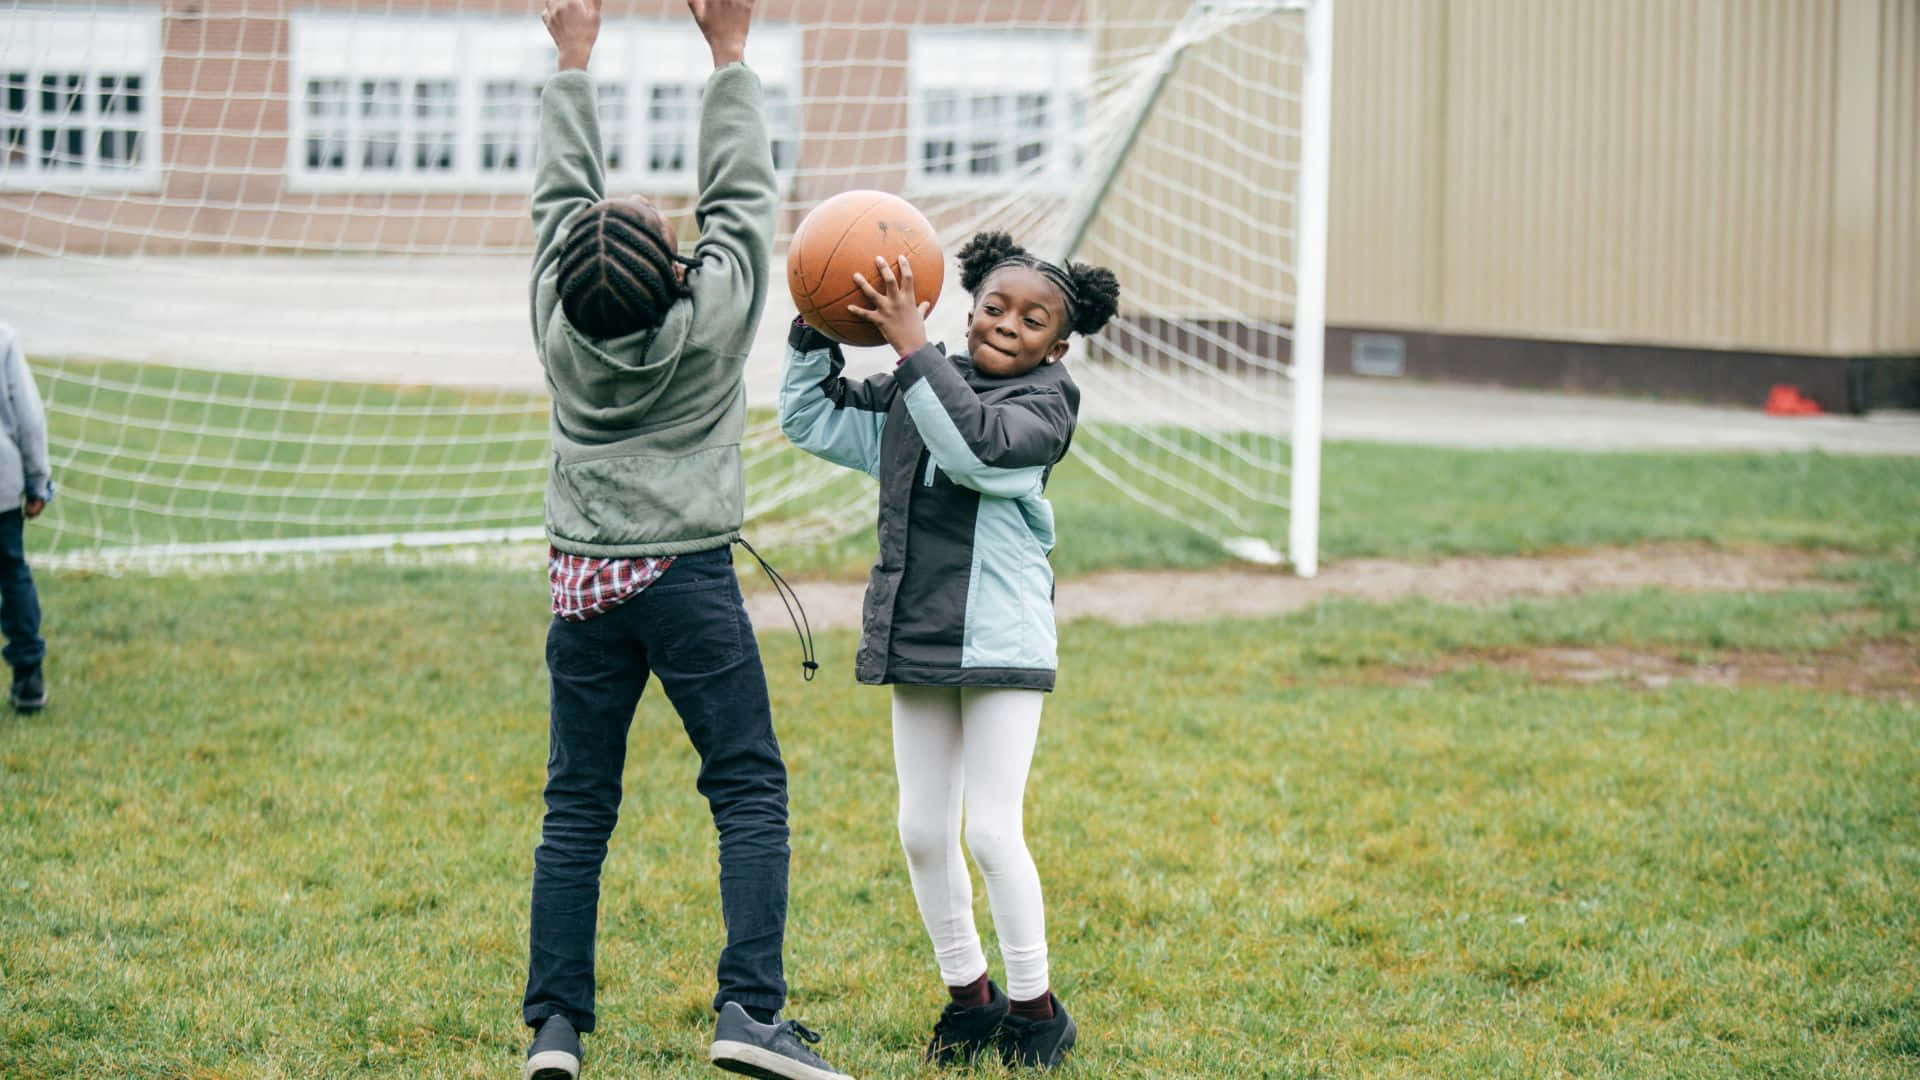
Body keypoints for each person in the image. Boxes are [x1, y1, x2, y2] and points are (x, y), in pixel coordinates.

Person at [520, 1, 848, 1078]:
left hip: (582, 582)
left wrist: (573, 58)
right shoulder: (712, 324)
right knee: (748, 788)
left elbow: (559, 193)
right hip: (688, 579)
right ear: (679, 272)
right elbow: (744, 200)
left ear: (561, 273)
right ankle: (749, 1014)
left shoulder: (554, 325)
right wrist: (730, 54)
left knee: (578, 805)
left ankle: (556, 1030)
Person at [777, 232, 1120, 1070]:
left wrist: (909, 346)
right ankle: (970, 998)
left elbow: (974, 450)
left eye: (1033, 319)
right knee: (922, 831)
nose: (1009, 325)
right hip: (920, 631)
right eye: (995, 308)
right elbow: (809, 416)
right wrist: (816, 322)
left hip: (1001, 639)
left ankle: (1038, 1012)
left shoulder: (1046, 407)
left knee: (993, 833)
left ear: (1059, 345)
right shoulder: (918, 388)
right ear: (969, 312)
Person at [0, 321, 50, 715]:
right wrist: (38, 480)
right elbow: (29, 418)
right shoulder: (3, 337)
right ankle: (29, 678)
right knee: (12, 572)